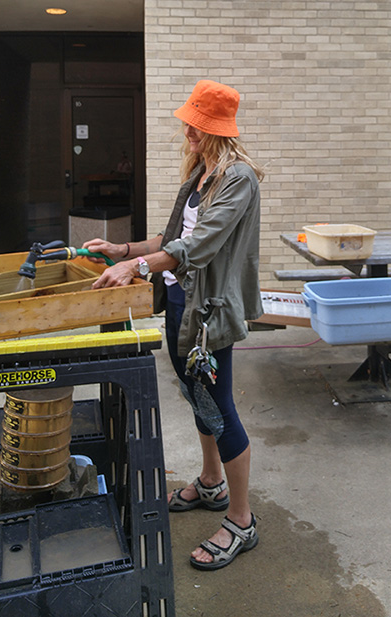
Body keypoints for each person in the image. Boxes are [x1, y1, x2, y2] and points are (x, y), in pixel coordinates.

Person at [83, 79, 264, 570]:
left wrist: (138, 268)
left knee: (220, 406)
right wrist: (121, 251)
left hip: (210, 312)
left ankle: (242, 520)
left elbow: (200, 244)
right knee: (194, 393)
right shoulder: (199, 176)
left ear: (217, 130)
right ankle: (210, 483)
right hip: (181, 301)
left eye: (196, 127)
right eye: (188, 125)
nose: (188, 134)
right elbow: (172, 239)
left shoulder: (238, 179)